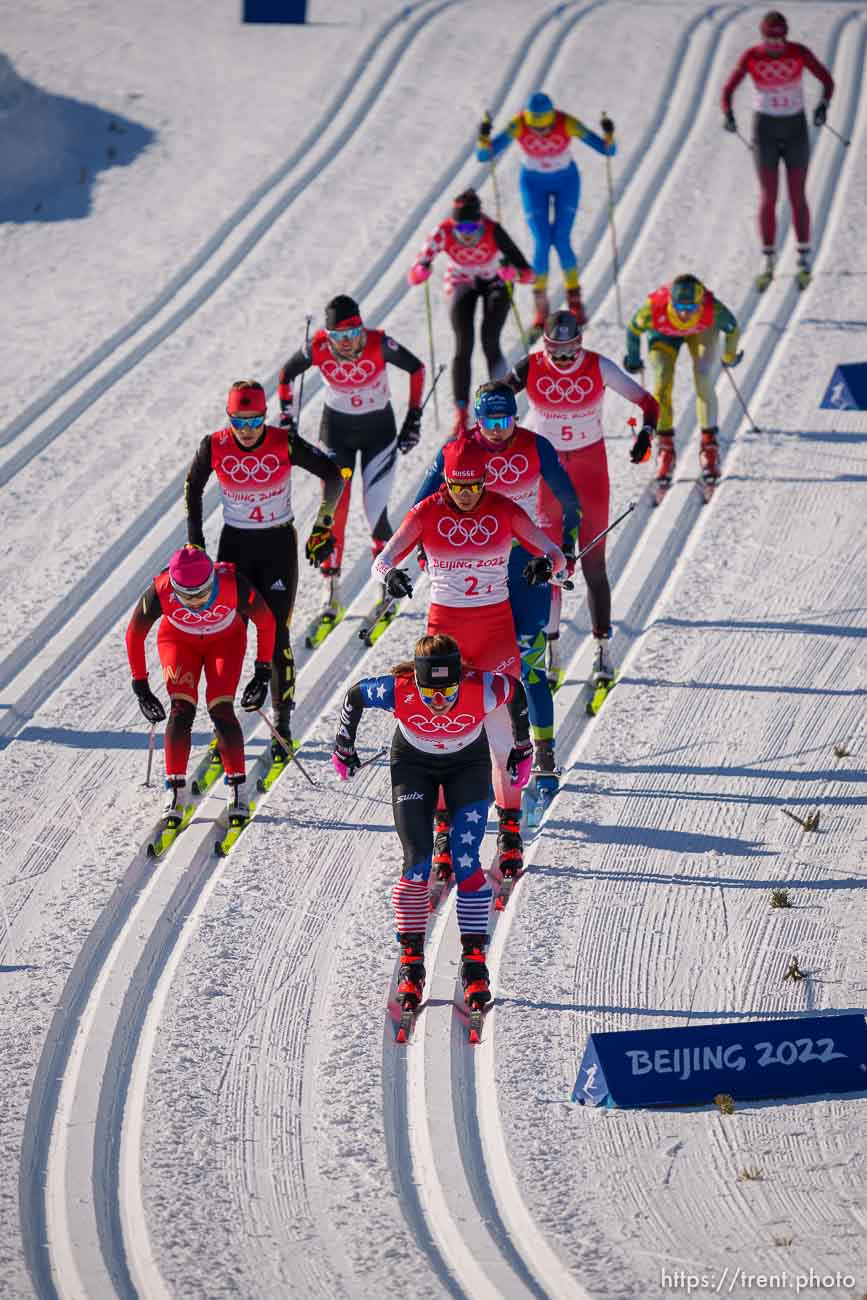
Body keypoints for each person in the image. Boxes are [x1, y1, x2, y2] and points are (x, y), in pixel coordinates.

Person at [372, 437, 565, 882]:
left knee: (503, 744)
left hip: (495, 636)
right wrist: (392, 576)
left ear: (484, 480)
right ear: (446, 482)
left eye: (474, 485)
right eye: (458, 486)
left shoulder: (503, 509)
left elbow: (554, 553)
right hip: (444, 642)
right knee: (441, 740)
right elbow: (381, 560)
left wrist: (545, 567)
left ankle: (510, 833)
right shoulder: (427, 513)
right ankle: (443, 835)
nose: (466, 494)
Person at [331, 634, 532, 1012]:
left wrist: (522, 747)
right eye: (430, 693)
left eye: (448, 691)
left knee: (467, 860)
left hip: (467, 766)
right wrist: (344, 745)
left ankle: (474, 962)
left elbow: (517, 693)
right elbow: (355, 695)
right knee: (417, 860)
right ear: (417, 682)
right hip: (413, 766)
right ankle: (411, 962)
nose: (439, 703)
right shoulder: (398, 690)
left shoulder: (483, 688)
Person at [414, 380, 580, 800]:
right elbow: (422, 503)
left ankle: (542, 755)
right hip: (476, 568)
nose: (497, 429)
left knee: (528, 664)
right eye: (489, 420)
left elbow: (569, 499)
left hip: (524, 563)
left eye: (505, 419)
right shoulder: (459, 451)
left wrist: (566, 547)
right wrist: (422, 556)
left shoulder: (535, 446)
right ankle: (466, 753)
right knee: (462, 669)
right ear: (477, 419)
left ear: (516, 417)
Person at [184, 379, 344, 768]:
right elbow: (192, 488)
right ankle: (224, 728)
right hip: (235, 548)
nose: (248, 431)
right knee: (228, 634)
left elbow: (334, 475)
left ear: (265, 417)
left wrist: (323, 526)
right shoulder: (215, 444)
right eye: (239, 423)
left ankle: (282, 726)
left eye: (255, 421)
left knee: (277, 635)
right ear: (229, 419)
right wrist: (196, 544)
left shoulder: (283, 441)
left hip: (277, 548)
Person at [508, 311, 658, 687]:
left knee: (593, 564)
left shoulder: (597, 365)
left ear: (579, 344)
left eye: (568, 353)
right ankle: (552, 653)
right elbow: (492, 397)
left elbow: (648, 402)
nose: (561, 360)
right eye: (554, 353)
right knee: (550, 564)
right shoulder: (530, 366)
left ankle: (603, 652)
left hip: (590, 470)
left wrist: (646, 434)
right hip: (548, 471)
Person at [276, 295, 425, 640]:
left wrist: (413, 419)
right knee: (333, 510)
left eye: (354, 333)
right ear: (327, 338)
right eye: (339, 338)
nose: (349, 344)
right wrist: (287, 420)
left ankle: (387, 589)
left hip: (379, 435)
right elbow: (285, 375)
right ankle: (332, 594)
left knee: (375, 512)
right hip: (337, 434)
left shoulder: (378, 343)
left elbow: (416, 368)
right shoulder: (317, 349)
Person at [125, 546, 276, 824]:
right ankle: (176, 793)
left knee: (221, 708)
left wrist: (262, 671)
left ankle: (238, 790)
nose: (194, 603)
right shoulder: (160, 590)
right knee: (181, 710)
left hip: (225, 642)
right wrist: (141, 688)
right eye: (186, 596)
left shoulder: (233, 584)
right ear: (173, 586)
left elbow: (266, 622)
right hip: (179, 642)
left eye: (202, 595)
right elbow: (134, 634)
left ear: (213, 582)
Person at [476, 93, 616, 330]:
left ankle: (575, 302)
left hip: (566, 183)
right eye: (535, 129)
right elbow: (484, 155)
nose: (541, 133)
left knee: (561, 239)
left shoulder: (566, 122)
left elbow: (607, 150)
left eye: (547, 128)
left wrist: (608, 134)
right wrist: (483, 137)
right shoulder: (519, 124)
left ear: (553, 119)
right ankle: (541, 306)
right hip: (533, 184)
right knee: (541, 241)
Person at [721, 9, 834, 290]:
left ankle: (803, 257)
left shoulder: (799, 52)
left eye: (780, 39)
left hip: (795, 129)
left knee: (797, 193)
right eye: (770, 40)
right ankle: (768, 259)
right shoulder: (751, 57)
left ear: (786, 36)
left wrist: (822, 106)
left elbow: (827, 81)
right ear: (762, 37)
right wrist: (728, 114)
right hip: (765, 131)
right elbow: (727, 90)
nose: (775, 45)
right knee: (769, 195)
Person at [407, 189, 533, 436]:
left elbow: (528, 274)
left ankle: (503, 402)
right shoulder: (443, 232)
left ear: (480, 222)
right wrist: (420, 272)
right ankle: (462, 412)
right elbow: (414, 271)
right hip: (460, 280)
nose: (465, 236)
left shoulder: (492, 229)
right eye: (460, 230)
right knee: (463, 343)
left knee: (490, 340)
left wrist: (513, 274)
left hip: (493, 280)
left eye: (471, 229)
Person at [623, 275, 741, 493]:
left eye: (691, 307)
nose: (685, 313)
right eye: (679, 306)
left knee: (704, 380)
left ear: (700, 303)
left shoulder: (711, 307)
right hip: (663, 335)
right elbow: (632, 330)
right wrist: (632, 358)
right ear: (670, 302)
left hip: (701, 332)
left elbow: (732, 328)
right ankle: (666, 449)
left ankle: (709, 446)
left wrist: (728, 356)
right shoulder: (654, 307)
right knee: (661, 382)